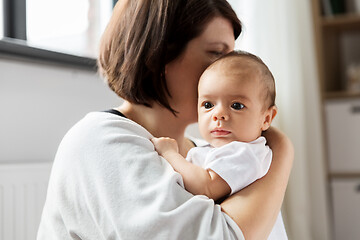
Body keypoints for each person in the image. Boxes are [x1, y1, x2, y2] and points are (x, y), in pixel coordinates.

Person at [37, 0, 294, 239]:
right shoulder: (98, 141)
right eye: (217, 54)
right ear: (158, 56)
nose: (230, 71)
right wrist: (281, 150)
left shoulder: (212, 155)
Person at [151, 50, 288, 239]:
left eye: (236, 105)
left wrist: (170, 154)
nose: (218, 114)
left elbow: (205, 187)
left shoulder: (247, 154)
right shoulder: (210, 150)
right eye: (208, 105)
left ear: (266, 118)